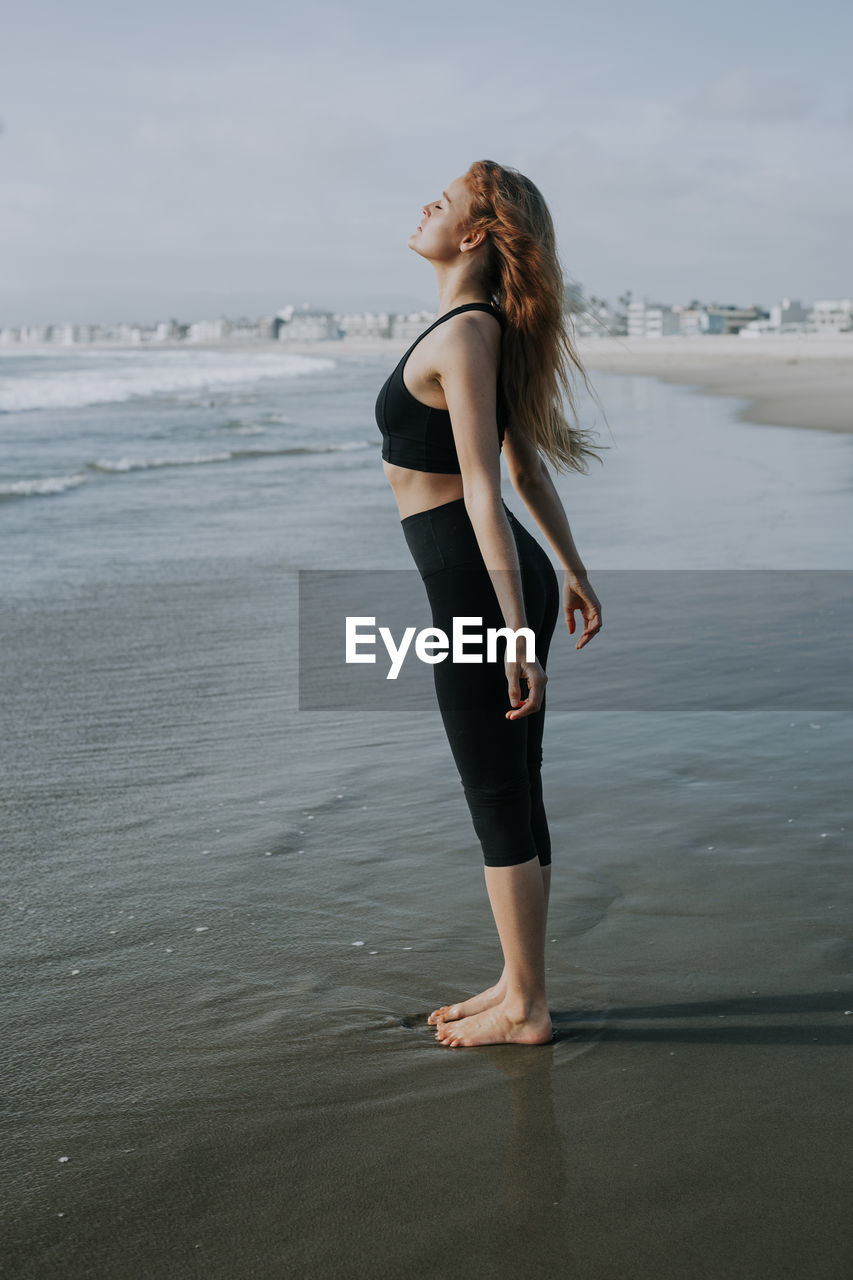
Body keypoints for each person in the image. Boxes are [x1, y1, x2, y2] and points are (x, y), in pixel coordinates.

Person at [374, 159, 605, 1048]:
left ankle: (527, 1009)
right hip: (496, 583)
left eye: (446, 201)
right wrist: (571, 568)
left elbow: (482, 487)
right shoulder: (468, 328)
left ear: (474, 234)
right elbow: (525, 468)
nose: (426, 204)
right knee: (515, 783)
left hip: (481, 591)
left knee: (494, 791)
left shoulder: (466, 333)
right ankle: (518, 981)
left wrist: (514, 629)